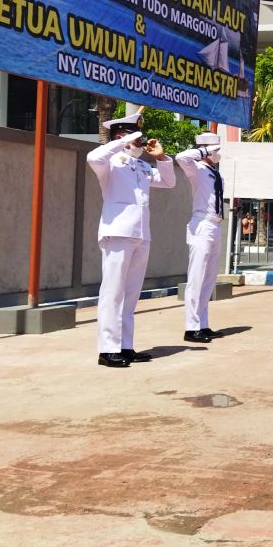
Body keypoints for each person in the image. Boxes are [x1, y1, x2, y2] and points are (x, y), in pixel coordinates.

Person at [87, 112, 175, 368]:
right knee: (112, 292)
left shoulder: (142, 166)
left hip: (140, 234)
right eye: (137, 138)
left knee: (130, 294)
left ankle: (125, 346)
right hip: (118, 232)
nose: (141, 142)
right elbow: (93, 156)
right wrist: (125, 140)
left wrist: (160, 157)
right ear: (121, 137)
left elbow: (169, 182)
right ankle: (107, 349)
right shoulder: (110, 163)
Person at [175, 132, 225, 344]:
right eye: (216, 150)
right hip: (202, 223)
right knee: (196, 277)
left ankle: (202, 324)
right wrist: (204, 151)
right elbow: (180, 157)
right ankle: (191, 327)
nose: (218, 154)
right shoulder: (196, 169)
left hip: (215, 224)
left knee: (209, 277)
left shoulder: (216, 173)